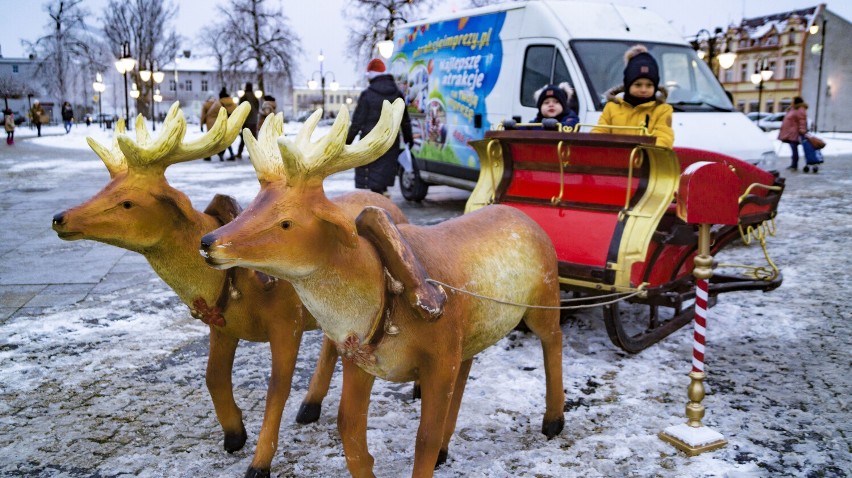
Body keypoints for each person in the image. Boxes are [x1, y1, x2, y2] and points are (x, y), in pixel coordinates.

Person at [346, 58, 414, 196]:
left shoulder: (367, 95)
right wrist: (408, 139)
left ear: (371, 76)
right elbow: (404, 120)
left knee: (370, 181)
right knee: (382, 180)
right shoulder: (397, 93)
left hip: (369, 143)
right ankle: (382, 200)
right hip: (389, 143)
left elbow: (357, 122)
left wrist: (347, 141)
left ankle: (375, 208)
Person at [591, 44, 674, 149]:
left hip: (647, 161)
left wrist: (647, 151)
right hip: (615, 160)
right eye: (638, 85)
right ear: (628, 85)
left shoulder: (662, 110)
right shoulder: (612, 107)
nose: (643, 90)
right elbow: (600, 131)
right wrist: (595, 143)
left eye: (649, 85)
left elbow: (664, 136)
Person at [202, 87, 237, 161]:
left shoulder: (218, 103)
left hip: (213, 123)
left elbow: (207, 115)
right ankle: (230, 154)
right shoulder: (232, 103)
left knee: (212, 140)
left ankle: (209, 155)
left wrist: (202, 124)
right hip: (224, 123)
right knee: (225, 138)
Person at [777, 97, 809, 171]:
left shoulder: (800, 109)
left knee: (794, 148)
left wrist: (802, 129)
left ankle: (794, 164)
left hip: (794, 133)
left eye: (793, 101)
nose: (792, 102)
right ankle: (793, 164)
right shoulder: (793, 109)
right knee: (793, 148)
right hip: (790, 132)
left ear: (797, 102)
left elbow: (802, 120)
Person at [235, 82, 259, 159]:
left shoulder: (243, 97)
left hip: (246, 120)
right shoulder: (255, 97)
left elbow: (240, 109)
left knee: (243, 138)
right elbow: (257, 108)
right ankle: (254, 154)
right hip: (254, 121)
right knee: (253, 138)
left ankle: (239, 153)